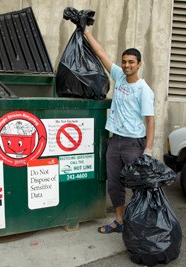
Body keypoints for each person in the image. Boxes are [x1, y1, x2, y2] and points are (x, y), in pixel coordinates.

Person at [84, 27, 155, 234]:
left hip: (134, 143)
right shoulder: (120, 76)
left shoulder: (144, 90)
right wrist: (86, 32)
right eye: (124, 61)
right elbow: (101, 53)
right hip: (115, 141)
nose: (126, 65)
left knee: (138, 186)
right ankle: (119, 221)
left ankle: (142, 224)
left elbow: (150, 121)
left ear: (139, 64)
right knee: (114, 184)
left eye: (131, 62)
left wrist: (148, 150)